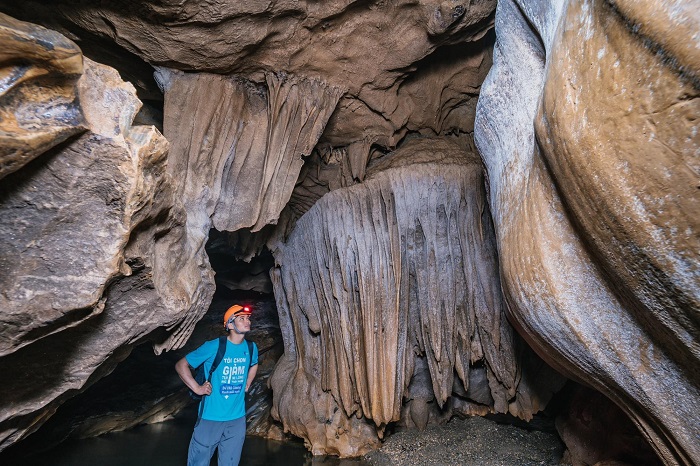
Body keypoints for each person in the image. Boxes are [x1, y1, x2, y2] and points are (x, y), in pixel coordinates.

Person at [175, 304, 258, 466]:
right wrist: (197, 388)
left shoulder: (251, 347)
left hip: (237, 420)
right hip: (210, 418)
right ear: (230, 325)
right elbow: (181, 365)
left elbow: (254, 363)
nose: (247, 321)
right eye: (241, 318)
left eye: (248, 318)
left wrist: (248, 381)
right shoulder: (214, 346)